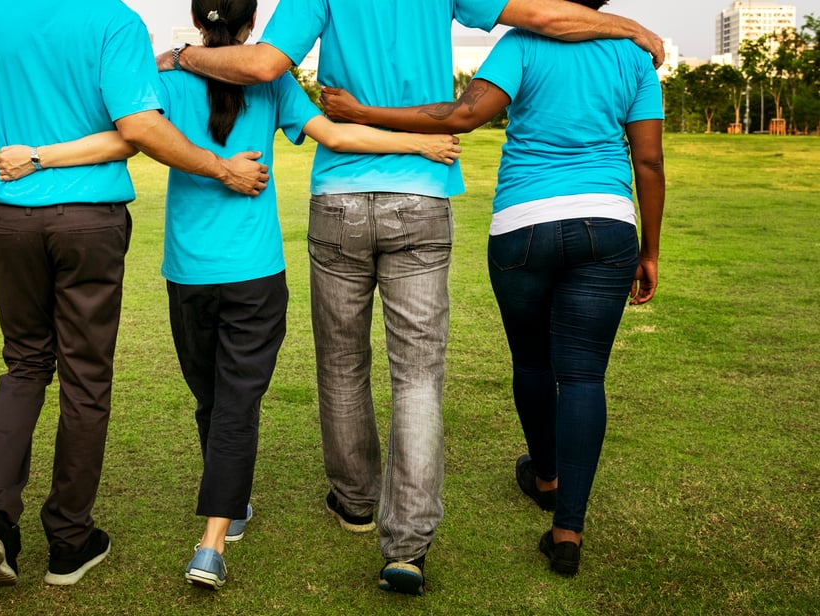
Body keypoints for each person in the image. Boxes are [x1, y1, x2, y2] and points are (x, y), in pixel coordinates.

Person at [157, 0, 664, 595]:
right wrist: (628, 25)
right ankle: (407, 546)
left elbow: (267, 64)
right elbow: (548, 18)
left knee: (342, 365)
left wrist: (187, 54)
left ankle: (354, 502)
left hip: (339, 198)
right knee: (418, 376)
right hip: (422, 199)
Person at [0, 0, 460, 591]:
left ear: (197, 20)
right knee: (233, 404)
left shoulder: (166, 78)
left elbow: (121, 136)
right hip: (255, 272)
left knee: (212, 398)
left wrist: (38, 157)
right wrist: (418, 146)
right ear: (250, 28)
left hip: (188, 273)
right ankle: (219, 525)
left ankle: (227, 516)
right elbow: (335, 135)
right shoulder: (276, 84)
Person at [321, 0, 665, 578]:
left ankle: (546, 476)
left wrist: (364, 111)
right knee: (583, 376)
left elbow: (460, 115)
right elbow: (649, 161)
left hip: (522, 224)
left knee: (532, 362)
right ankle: (567, 530)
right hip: (607, 222)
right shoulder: (634, 56)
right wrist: (650, 249)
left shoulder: (522, 45)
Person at [0, 0, 270, 588]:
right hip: (89, 221)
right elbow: (138, 128)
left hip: (13, 216)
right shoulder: (114, 20)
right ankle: (70, 542)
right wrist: (222, 170)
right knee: (85, 377)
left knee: (23, 367)